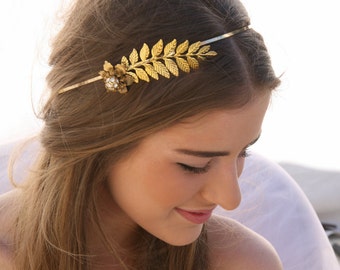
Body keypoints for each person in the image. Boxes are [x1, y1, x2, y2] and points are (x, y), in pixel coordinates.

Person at [0, 0, 284, 269]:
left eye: (243, 152)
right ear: (98, 134)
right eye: (193, 166)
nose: (230, 199)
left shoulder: (244, 263)